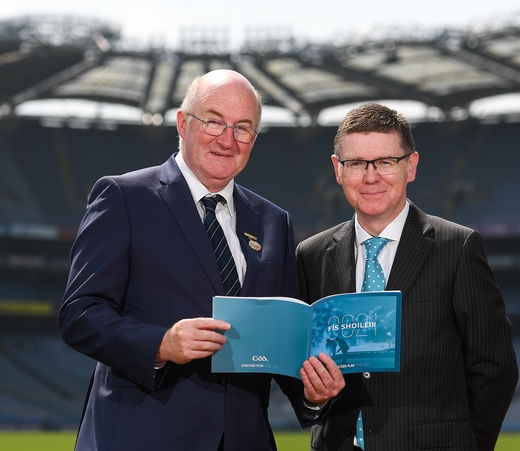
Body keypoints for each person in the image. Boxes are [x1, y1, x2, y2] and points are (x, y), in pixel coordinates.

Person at [58, 69, 344, 451]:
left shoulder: (274, 221)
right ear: (182, 123)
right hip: (143, 436)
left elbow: (284, 341)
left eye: (243, 128)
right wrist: (162, 344)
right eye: (214, 121)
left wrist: (313, 394)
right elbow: (79, 314)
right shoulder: (124, 197)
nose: (227, 139)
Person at [296, 103, 518, 451]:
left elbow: (495, 366)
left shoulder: (457, 247)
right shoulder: (311, 255)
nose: (371, 177)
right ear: (338, 170)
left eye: (385, 162)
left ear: (410, 166)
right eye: (356, 163)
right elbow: (299, 366)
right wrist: (313, 400)